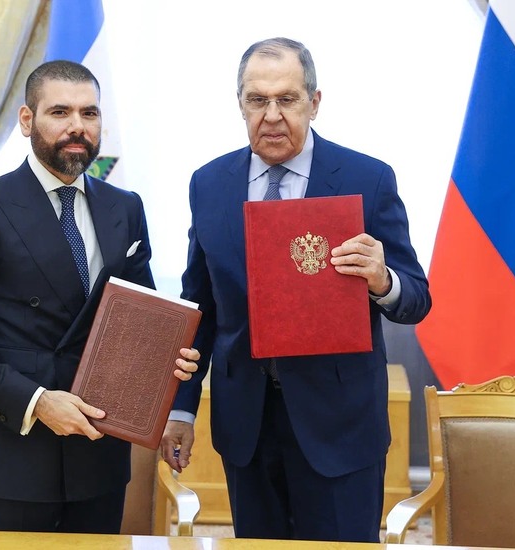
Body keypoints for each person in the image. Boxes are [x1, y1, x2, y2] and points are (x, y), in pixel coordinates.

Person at [160, 38, 431, 542]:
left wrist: (382, 280)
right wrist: (181, 406)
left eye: (286, 99)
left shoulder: (367, 178)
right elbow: (200, 307)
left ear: (314, 101)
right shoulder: (209, 183)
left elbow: (416, 298)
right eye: (257, 100)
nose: (272, 115)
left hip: (340, 427)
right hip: (246, 425)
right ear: (240, 104)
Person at [0, 60, 199, 534]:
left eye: (89, 113)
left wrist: (168, 356)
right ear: (27, 120)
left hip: (100, 452)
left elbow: (142, 319)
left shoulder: (124, 207)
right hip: (18, 454)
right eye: (60, 112)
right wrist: (36, 402)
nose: (77, 126)